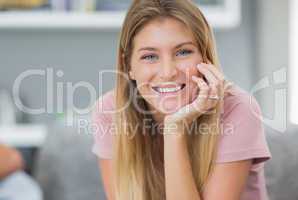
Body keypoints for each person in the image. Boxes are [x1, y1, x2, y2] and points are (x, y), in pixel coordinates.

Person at [91, 0, 272, 199]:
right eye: (150, 56)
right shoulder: (110, 111)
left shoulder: (237, 109)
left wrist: (174, 129)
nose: (168, 72)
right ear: (129, 66)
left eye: (183, 52)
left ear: (205, 58)